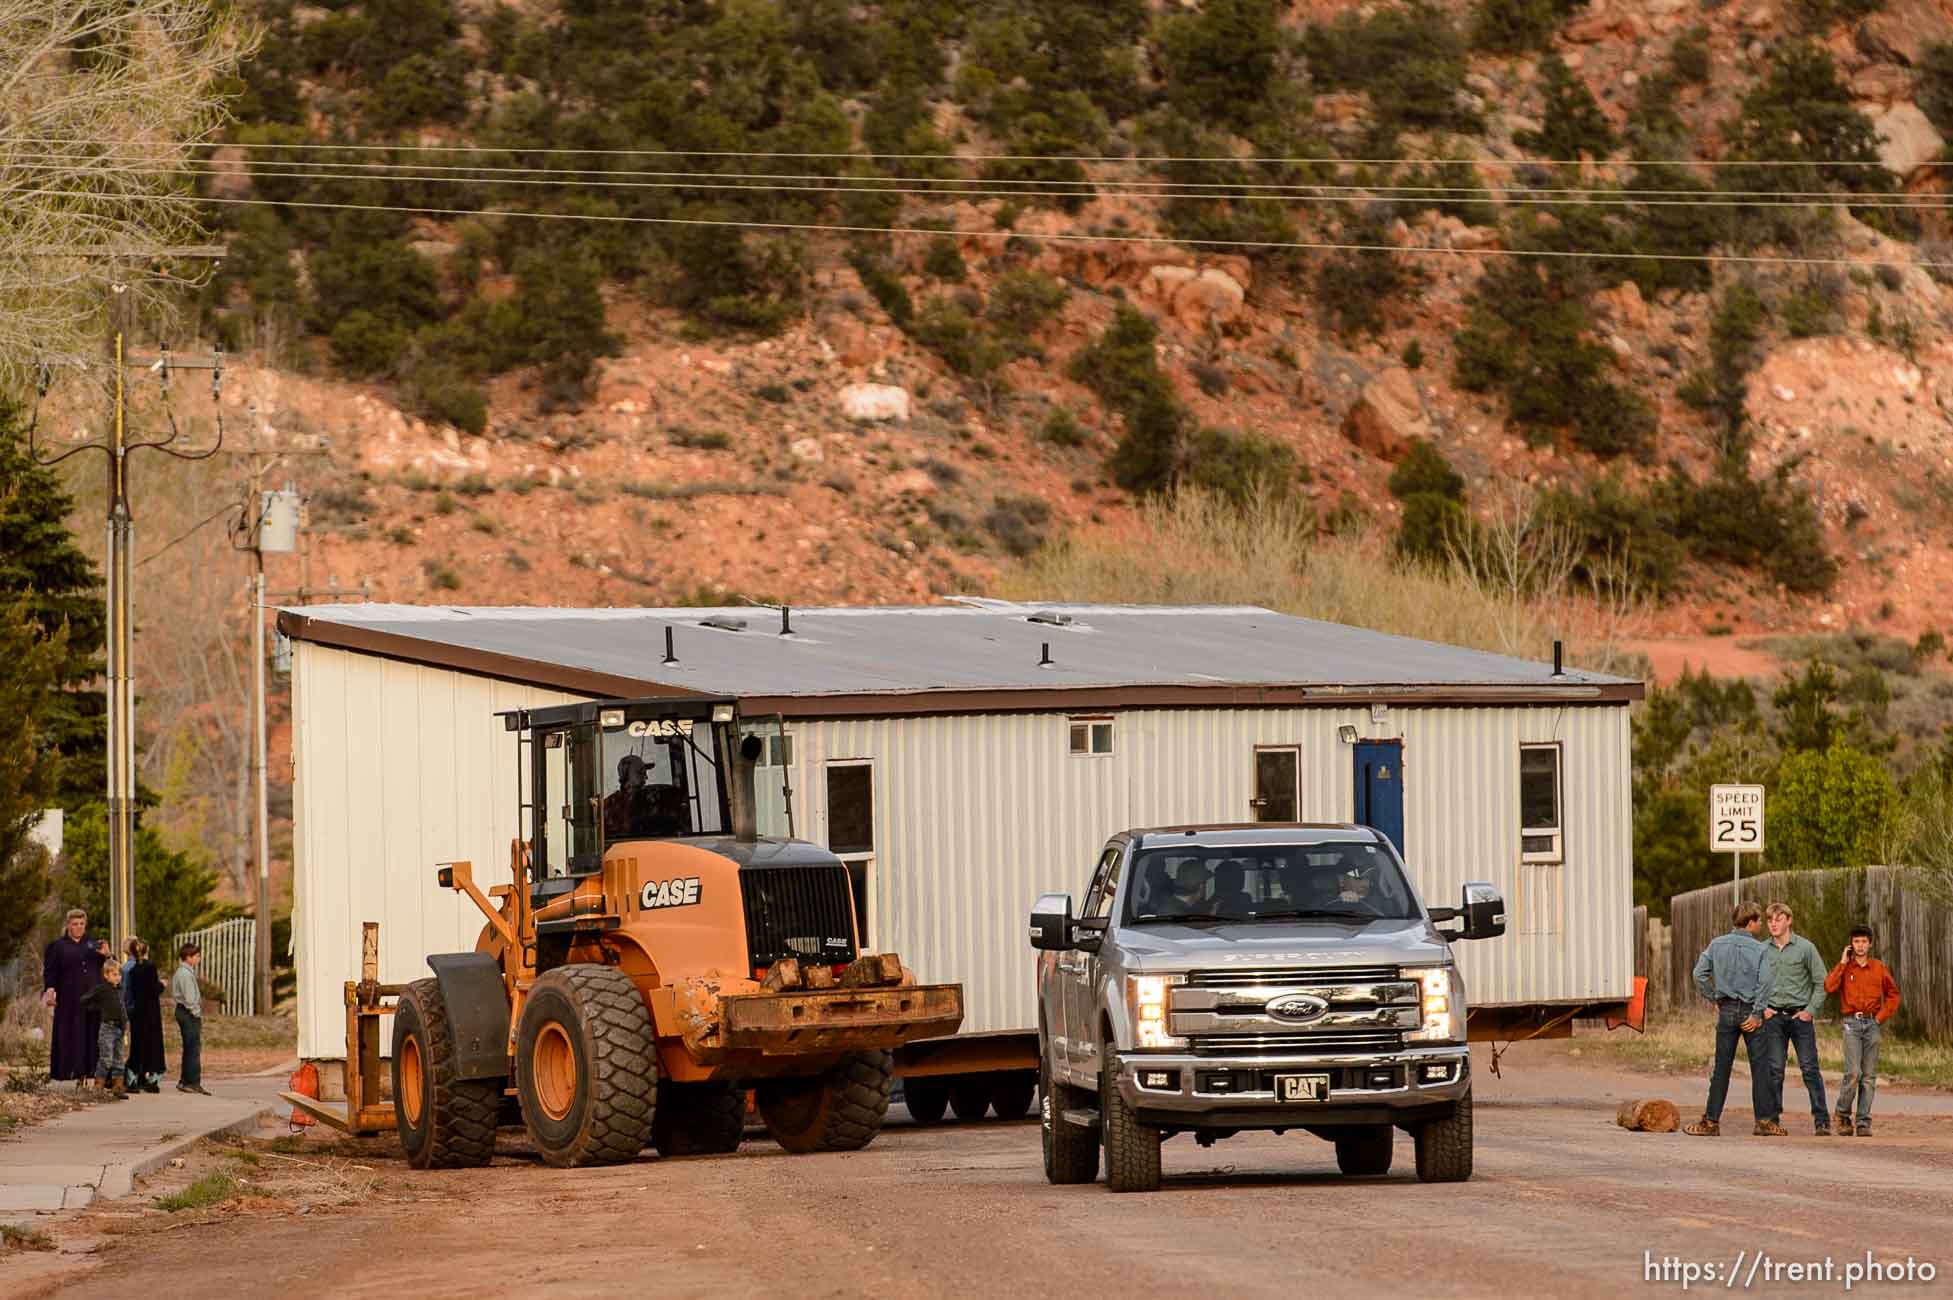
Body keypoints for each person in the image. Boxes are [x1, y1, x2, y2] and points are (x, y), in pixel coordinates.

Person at [1683, 901, 1777, 1137]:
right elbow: (1765, 983)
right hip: (1749, 1011)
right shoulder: (1760, 949)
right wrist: (1757, 1013)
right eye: (1759, 921)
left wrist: (1714, 997)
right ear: (1752, 922)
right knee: (1760, 1068)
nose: (1761, 926)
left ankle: (1711, 1121)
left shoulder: (1717, 944)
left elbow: (1698, 974)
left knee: (1722, 1068)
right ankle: (1764, 1122)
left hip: (1726, 1010)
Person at [1756, 902, 1831, 1135]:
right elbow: (1751, 982)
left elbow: (1822, 982)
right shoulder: (1761, 950)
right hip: (1773, 1017)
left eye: (1778, 919)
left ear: (1789, 920)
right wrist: (1762, 1009)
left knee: (1809, 1068)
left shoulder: (1805, 948)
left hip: (1800, 1017)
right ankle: (1772, 1120)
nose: (1773, 924)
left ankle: (1822, 1120)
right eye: (1769, 920)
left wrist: (1810, 1010)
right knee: (1775, 1069)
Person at [1824, 923, 1900, 1137]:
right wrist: (1841, 962)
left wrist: (1880, 1017)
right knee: (1853, 1073)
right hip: (1852, 1023)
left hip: (1872, 1023)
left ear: (1870, 944)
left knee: (1868, 1076)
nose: (1860, 946)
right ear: (1851, 944)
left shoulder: (1879, 968)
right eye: (1856, 942)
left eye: (1864, 942)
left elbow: (1894, 994)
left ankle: (1864, 1121)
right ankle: (1842, 1113)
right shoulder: (1845, 967)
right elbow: (1829, 987)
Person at [41, 908, 107, 1087]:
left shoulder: (93, 944)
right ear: (68, 925)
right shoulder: (58, 946)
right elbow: (50, 973)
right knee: (72, 1035)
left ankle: (91, 1074)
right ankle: (71, 1074)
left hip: (93, 999)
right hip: (70, 1000)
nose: (78, 927)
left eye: (82, 924)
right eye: (75, 924)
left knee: (91, 1035)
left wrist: (106, 955)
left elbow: (109, 967)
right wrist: (50, 991)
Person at [82, 961, 130, 1100]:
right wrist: (97, 1007)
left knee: (119, 1059)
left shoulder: (120, 989)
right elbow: (85, 1000)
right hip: (107, 1028)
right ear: (106, 975)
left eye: (119, 974)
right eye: (114, 974)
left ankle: (118, 1087)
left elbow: (122, 1008)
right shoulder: (102, 989)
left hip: (119, 1028)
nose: (117, 977)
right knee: (106, 1058)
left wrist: (126, 1023)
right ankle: (98, 1086)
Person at [125, 939, 166, 1094]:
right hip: (151, 1012)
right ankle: (152, 1079)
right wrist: (162, 984)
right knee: (154, 1045)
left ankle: (132, 1078)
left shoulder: (133, 970)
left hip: (137, 1012)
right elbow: (153, 989)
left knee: (138, 1045)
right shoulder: (151, 967)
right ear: (147, 950)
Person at [172, 942, 210, 1095]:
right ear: (188, 957)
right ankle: (192, 1082)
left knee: (189, 1048)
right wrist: (196, 1013)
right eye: (197, 956)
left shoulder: (184, 972)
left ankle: (185, 1081)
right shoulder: (185, 974)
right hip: (188, 1013)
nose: (199, 959)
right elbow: (189, 999)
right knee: (193, 1048)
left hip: (184, 1011)